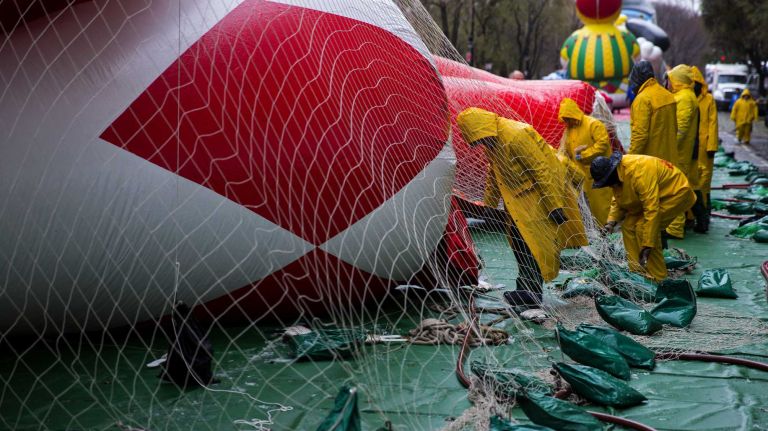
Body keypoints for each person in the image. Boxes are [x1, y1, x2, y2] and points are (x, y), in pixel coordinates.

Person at [456, 107, 586, 306]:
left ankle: (532, 292)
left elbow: (543, 170)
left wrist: (554, 205)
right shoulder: (492, 142)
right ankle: (524, 288)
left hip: (537, 198)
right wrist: (489, 206)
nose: (481, 144)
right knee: (518, 243)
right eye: (478, 142)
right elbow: (494, 175)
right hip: (516, 202)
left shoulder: (516, 134)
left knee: (533, 246)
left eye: (480, 140)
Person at [592, 153, 696, 281]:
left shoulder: (639, 173)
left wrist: (647, 244)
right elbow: (619, 198)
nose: (608, 185)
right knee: (628, 227)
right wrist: (611, 222)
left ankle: (658, 278)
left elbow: (652, 210)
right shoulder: (617, 175)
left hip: (676, 193)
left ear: (611, 173)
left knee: (644, 229)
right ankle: (637, 273)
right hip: (655, 197)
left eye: (606, 182)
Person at [558, 97, 613, 225]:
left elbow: (603, 144)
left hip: (599, 175)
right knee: (587, 208)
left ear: (573, 115)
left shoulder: (593, 124)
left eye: (567, 118)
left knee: (602, 205)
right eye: (564, 119)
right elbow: (566, 150)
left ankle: (607, 230)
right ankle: (596, 232)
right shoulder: (569, 130)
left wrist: (582, 155)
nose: (565, 122)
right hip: (580, 177)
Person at [665, 64, 700, 239]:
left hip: (679, 152)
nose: (668, 82)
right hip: (680, 152)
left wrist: (670, 144)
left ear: (677, 80)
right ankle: (681, 224)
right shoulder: (683, 96)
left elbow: (681, 128)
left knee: (675, 190)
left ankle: (675, 228)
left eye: (671, 79)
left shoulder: (685, 98)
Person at [626, 60, 677, 163]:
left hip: (651, 162)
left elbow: (640, 136)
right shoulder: (667, 95)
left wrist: (629, 158)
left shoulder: (642, 99)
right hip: (670, 160)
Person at [691, 66, 719, 232]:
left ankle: (704, 214)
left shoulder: (708, 99)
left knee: (704, 183)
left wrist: (712, 146)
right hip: (692, 147)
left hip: (704, 148)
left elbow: (713, 123)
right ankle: (693, 216)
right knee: (692, 181)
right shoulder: (686, 98)